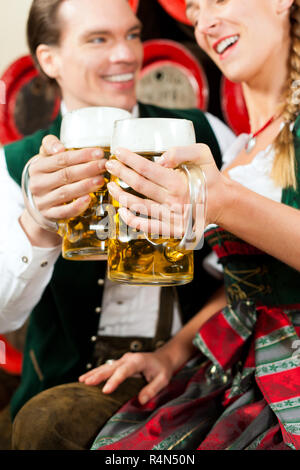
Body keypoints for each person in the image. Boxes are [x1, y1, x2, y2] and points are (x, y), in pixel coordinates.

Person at [0, 0, 234, 450]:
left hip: (190, 373)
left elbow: (245, 277)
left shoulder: (203, 132)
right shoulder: (15, 166)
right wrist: (39, 223)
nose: (127, 54)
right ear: (49, 59)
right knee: (47, 424)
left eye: (131, 34)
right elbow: (5, 316)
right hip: (69, 384)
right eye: (98, 39)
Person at [83, 0, 300, 450]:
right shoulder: (243, 149)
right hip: (238, 368)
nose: (205, 22)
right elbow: (253, 289)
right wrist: (172, 351)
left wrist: (225, 202)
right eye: (196, 10)